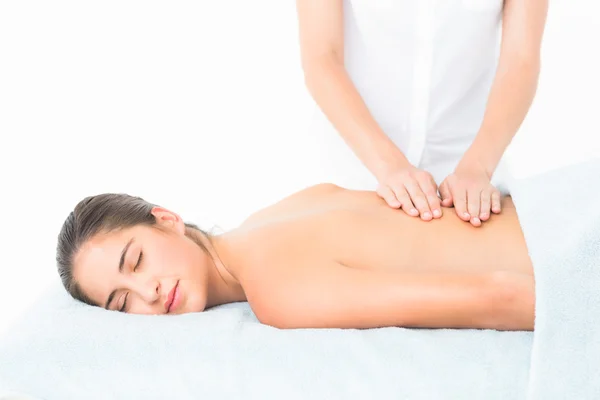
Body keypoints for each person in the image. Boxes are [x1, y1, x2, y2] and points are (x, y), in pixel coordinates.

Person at [56, 183, 535, 331]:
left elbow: (496, 296)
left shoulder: (276, 291)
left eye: (136, 261)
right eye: (123, 304)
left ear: (167, 219)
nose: (149, 293)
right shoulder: (278, 211)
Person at [297, 0, 548, 227]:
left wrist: (478, 167)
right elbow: (322, 58)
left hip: (471, 179)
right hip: (352, 164)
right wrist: (389, 166)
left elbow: (520, 60)